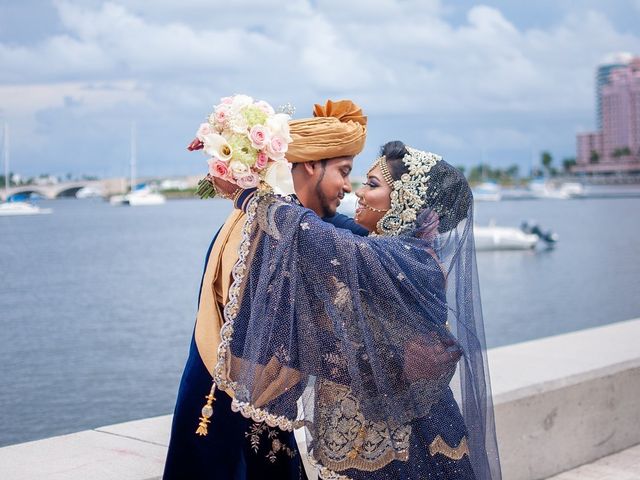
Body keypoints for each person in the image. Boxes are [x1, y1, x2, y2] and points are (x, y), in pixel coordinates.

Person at [211, 140, 502, 479]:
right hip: (355, 441)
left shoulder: (414, 261)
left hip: (409, 447)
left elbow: (317, 237)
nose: (359, 193)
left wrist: (249, 196)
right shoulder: (378, 250)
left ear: (408, 202)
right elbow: (327, 228)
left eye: (373, 184)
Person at [163, 99, 368, 480]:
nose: (347, 186)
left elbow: (356, 242)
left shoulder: (282, 221)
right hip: (224, 407)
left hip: (261, 408)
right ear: (310, 165)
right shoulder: (268, 231)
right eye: (343, 171)